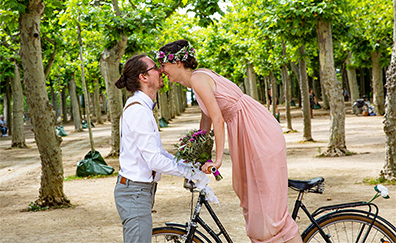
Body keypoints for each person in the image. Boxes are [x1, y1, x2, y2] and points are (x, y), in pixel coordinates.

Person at [157, 39, 302, 243]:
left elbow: (218, 118)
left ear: (178, 63)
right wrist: (198, 153)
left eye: (163, 65)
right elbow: (206, 118)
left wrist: (217, 160)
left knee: (266, 204)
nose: (162, 70)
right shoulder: (196, 81)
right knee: (250, 195)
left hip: (256, 130)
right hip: (246, 131)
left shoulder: (198, 79)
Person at [114, 53, 206, 243]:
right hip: (135, 192)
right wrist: (189, 172)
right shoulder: (139, 110)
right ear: (144, 77)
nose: (161, 70)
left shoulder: (142, 107)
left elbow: (158, 153)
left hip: (139, 191)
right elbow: (154, 160)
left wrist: (187, 165)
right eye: (155, 67)